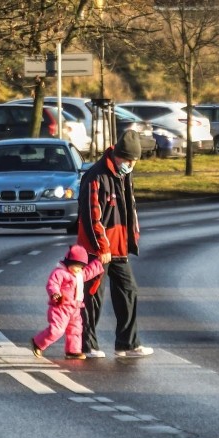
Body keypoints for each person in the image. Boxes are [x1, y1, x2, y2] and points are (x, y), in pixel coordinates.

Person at [76, 129, 153, 358]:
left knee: (129, 291)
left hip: (118, 249)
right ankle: (87, 345)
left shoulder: (124, 175)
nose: (131, 165)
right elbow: (92, 216)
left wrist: (131, 239)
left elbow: (128, 211)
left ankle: (127, 344)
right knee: (92, 297)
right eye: (129, 160)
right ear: (118, 155)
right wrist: (102, 247)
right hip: (97, 250)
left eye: (134, 161)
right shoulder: (95, 176)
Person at [31, 245, 104, 360]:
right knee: (57, 330)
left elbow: (89, 272)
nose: (78, 270)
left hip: (75, 308)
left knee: (76, 330)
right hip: (60, 307)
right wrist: (55, 293)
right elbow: (52, 284)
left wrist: (98, 263)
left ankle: (73, 350)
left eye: (81, 267)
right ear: (69, 262)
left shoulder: (79, 274)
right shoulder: (60, 273)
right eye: (76, 266)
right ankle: (38, 342)